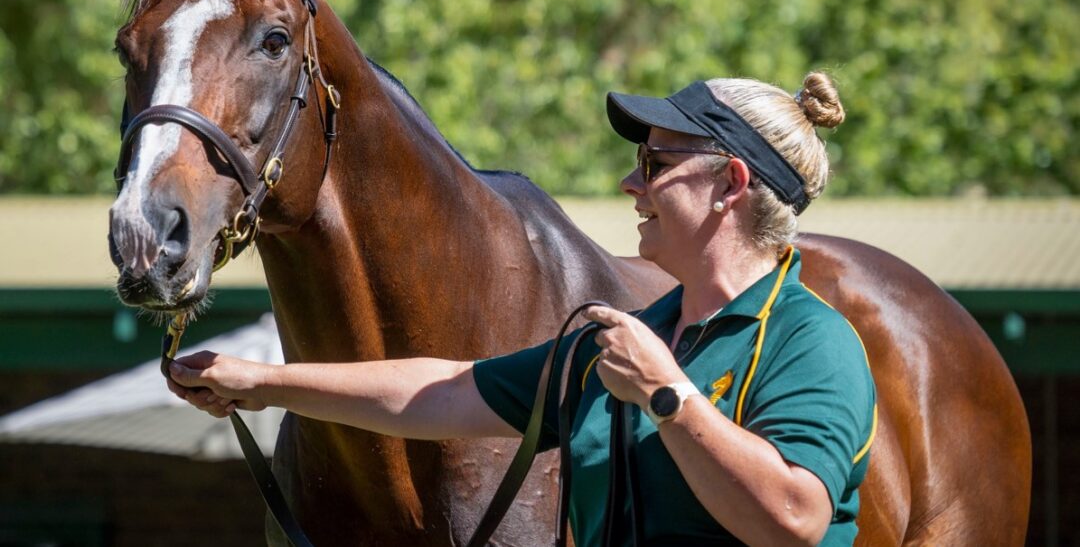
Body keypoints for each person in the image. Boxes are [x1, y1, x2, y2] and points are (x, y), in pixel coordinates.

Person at [167, 72, 876, 546]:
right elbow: (438, 391)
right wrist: (257, 382)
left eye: (656, 163)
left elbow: (795, 516)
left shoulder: (810, 340)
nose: (632, 182)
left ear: (732, 185)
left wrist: (669, 395)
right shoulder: (631, 338)